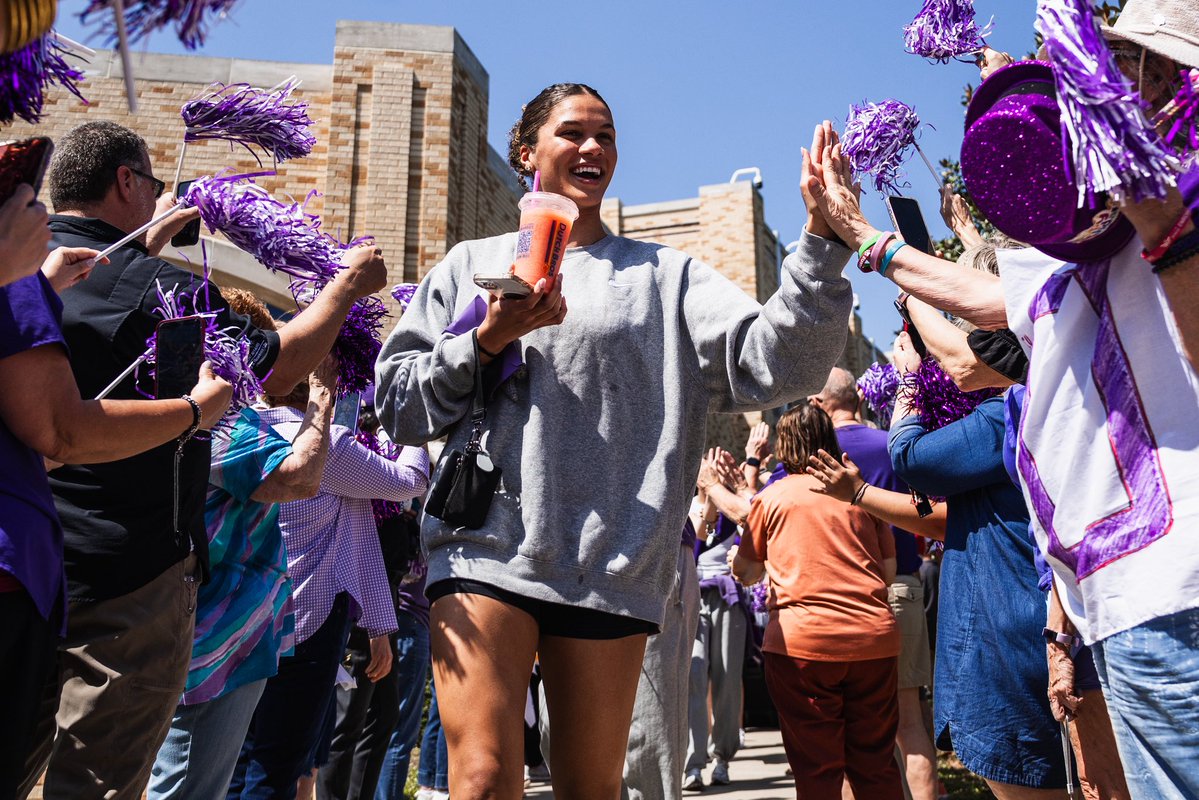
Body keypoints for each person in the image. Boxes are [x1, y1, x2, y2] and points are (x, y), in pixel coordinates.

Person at [375, 82, 853, 800]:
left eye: (605, 135)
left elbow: (778, 363)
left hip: (611, 564)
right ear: (526, 152)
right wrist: (483, 341)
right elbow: (397, 406)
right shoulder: (467, 264)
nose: (593, 146)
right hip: (484, 547)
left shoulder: (668, 279)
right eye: (571, 133)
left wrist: (819, 244)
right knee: (478, 777)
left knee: (590, 786)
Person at [802, 3, 1199, 789]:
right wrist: (860, 237)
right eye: (1119, 64)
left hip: (1179, 593)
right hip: (1116, 601)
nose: (1128, 84)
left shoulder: (1168, 217)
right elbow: (979, 294)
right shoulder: (1087, 240)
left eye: (1150, 68)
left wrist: (1167, 227)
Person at [26, 119, 387, 798]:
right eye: (151, 183)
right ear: (126, 181)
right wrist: (343, 288)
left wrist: (147, 239)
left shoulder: (22, 272)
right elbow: (273, 371)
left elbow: (100, 303)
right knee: (99, 781)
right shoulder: (166, 295)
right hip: (126, 583)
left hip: (24, 562)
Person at [1, 242, 233, 799]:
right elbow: (63, 434)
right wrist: (196, 411)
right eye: (32, 199)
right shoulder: (16, 297)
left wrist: (40, 288)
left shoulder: (23, 291)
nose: (46, 215)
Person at [146, 292, 338, 800]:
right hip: (213, 634)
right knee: (187, 785)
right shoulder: (219, 421)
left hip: (230, 629)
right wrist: (321, 396)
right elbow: (297, 479)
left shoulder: (175, 406)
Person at [885, 333, 1067, 799]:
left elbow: (910, 458)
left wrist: (908, 382)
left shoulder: (1007, 412)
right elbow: (957, 518)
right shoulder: (1062, 396)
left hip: (1011, 637)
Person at [230, 376, 430, 798]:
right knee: (275, 767)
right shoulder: (328, 445)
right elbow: (410, 480)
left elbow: (356, 534)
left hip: (239, 620)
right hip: (304, 625)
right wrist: (415, 418)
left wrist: (378, 623)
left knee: (236, 759)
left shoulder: (240, 430)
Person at [731, 403, 901, 800]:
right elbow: (888, 572)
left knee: (816, 770)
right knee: (875, 765)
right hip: (872, 641)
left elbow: (747, 570)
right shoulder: (861, 494)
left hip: (802, 647)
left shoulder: (771, 500)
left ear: (783, 445)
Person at [808, 367, 938, 800]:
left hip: (837, 600)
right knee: (909, 719)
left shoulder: (810, 457)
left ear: (818, 406)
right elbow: (929, 508)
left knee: (847, 730)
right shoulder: (894, 445)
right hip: (900, 586)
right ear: (859, 401)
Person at [684, 447, 752, 790]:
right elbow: (694, 542)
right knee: (693, 676)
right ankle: (693, 764)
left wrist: (735, 487)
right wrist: (703, 496)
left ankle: (723, 757)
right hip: (691, 600)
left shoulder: (733, 504)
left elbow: (753, 524)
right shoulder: (686, 504)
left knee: (727, 677)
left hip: (726, 596)